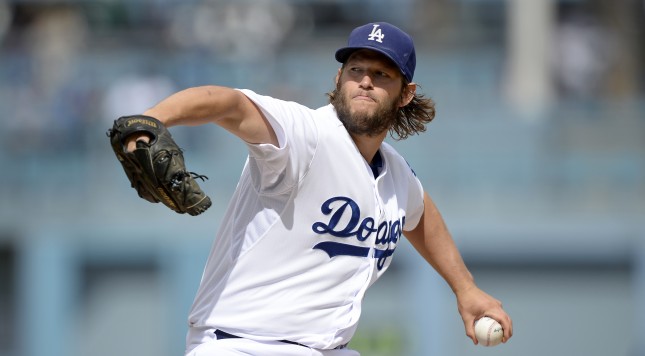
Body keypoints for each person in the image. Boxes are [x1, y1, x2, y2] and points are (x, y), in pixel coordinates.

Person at [127, 22, 513, 356]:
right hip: (243, 343)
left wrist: (465, 288)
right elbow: (229, 104)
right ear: (338, 79)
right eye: (356, 69)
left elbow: (420, 213)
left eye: (382, 74)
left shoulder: (396, 173)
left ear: (405, 94)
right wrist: (151, 121)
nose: (365, 80)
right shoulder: (305, 135)